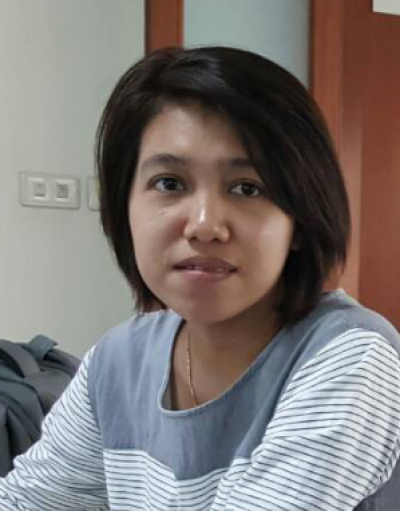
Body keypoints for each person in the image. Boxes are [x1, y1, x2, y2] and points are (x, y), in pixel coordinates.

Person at [1, 46, 399, 511]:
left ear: (299, 218)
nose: (205, 225)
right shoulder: (117, 361)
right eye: (169, 183)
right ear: (124, 206)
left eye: (247, 188)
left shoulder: (349, 354)